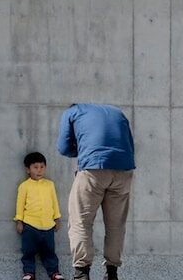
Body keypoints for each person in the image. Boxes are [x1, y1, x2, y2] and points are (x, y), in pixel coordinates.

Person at [56, 103, 135, 280]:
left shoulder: (72, 112)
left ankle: (82, 273)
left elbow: (63, 147)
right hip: (124, 169)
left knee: (81, 221)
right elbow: (129, 144)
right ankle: (112, 272)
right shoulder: (117, 112)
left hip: (93, 169)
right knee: (116, 225)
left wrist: (84, 149)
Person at [14, 151, 65, 280]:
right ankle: (29, 273)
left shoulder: (50, 184)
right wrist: (19, 221)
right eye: (35, 167)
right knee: (28, 252)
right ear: (28, 169)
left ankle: (54, 272)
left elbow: (54, 201)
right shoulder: (24, 186)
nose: (39, 170)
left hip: (48, 226)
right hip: (30, 226)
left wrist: (57, 218)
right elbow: (20, 204)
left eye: (42, 167)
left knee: (49, 252)